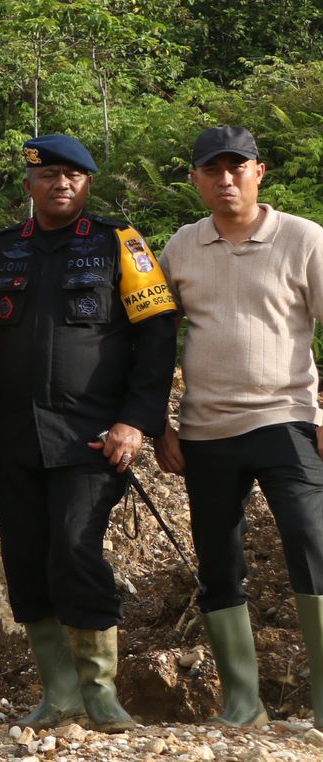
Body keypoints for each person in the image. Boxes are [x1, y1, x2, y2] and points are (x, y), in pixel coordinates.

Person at [0, 135, 177, 734]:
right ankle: (58, 692)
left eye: (74, 176)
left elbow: (158, 334)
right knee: (26, 559)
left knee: (74, 547)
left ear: (87, 185)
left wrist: (137, 420)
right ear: (29, 185)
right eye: (49, 175)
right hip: (12, 438)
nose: (61, 184)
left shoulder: (121, 243)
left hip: (91, 436)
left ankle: (100, 690)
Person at [155, 126, 323, 729]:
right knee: (218, 560)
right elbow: (152, 337)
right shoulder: (181, 245)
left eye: (237, 167)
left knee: (312, 541)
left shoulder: (304, 238)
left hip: (288, 419)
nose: (225, 179)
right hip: (204, 429)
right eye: (212, 170)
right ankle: (242, 702)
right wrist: (156, 424)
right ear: (197, 179)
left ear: (260, 171)